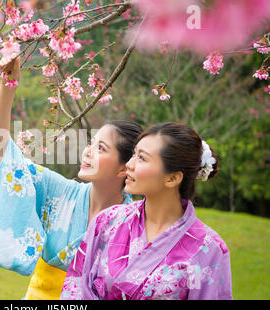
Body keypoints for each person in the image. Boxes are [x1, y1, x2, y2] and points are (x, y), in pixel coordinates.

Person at [0, 58, 143, 299]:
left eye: (100, 148)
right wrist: (7, 88)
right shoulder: (57, 192)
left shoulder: (136, 222)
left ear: (125, 168)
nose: (87, 151)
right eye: (90, 143)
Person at [61, 122, 233, 300]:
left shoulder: (209, 248)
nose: (129, 164)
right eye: (134, 154)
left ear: (173, 178)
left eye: (142, 158)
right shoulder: (107, 221)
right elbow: (75, 286)